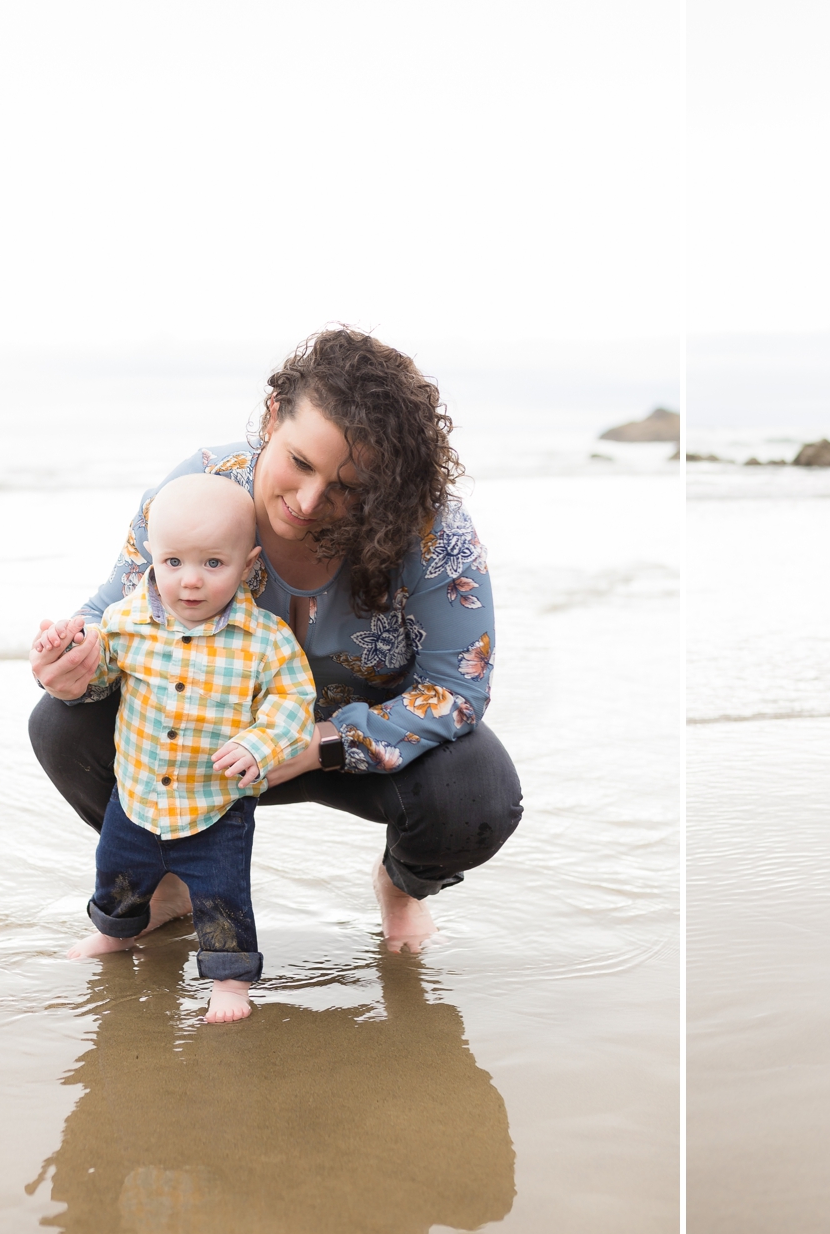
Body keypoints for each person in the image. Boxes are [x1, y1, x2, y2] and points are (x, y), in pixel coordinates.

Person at [29, 327, 524, 956]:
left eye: (348, 487)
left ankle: (402, 886)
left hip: (355, 749)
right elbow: (115, 612)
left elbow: (457, 689)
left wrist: (319, 744)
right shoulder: (204, 485)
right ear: (272, 417)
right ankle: (171, 875)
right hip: (204, 749)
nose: (310, 501)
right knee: (60, 723)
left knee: (477, 791)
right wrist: (67, 658)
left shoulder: (428, 526)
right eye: (300, 462)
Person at [41, 473, 314, 1022]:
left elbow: (293, 700)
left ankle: (230, 980)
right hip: (136, 795)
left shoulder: (266, 639)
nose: (190, 581)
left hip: (216, 806)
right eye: (173, 563)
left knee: (223, 897)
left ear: (249, 564)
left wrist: (261, 744)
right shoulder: (125, 622)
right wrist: (68, 659)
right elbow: (99, 679)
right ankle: (117, 933)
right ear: (152, 557)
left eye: (213, 564)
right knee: (117, 874)